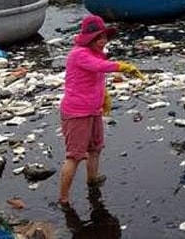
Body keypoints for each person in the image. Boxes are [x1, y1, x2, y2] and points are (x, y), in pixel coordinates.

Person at [57, 15, 140, 207]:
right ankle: (63, 198)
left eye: (104, 37)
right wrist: (122, 66)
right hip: (77, 112)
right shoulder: (79, 54)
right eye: (98, 38)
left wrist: (104, 96)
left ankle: (92, 179)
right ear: (89, 39)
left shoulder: (96, 53)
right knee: (75, 156)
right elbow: (99, 67)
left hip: (93, 110)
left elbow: (96, 76)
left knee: (95, 148)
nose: (102, 42)